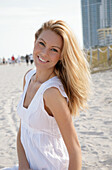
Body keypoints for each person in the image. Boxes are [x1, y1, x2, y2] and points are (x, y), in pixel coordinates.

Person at [3, 20, 91, 170]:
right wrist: (23, 166)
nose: (44, 53)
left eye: (54, 50)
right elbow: (22, 129)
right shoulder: (28, 77)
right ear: (35, 40)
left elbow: (74, 149)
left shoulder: (52, 93)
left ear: (61, 56)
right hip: (28, 165)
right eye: (41, 44)